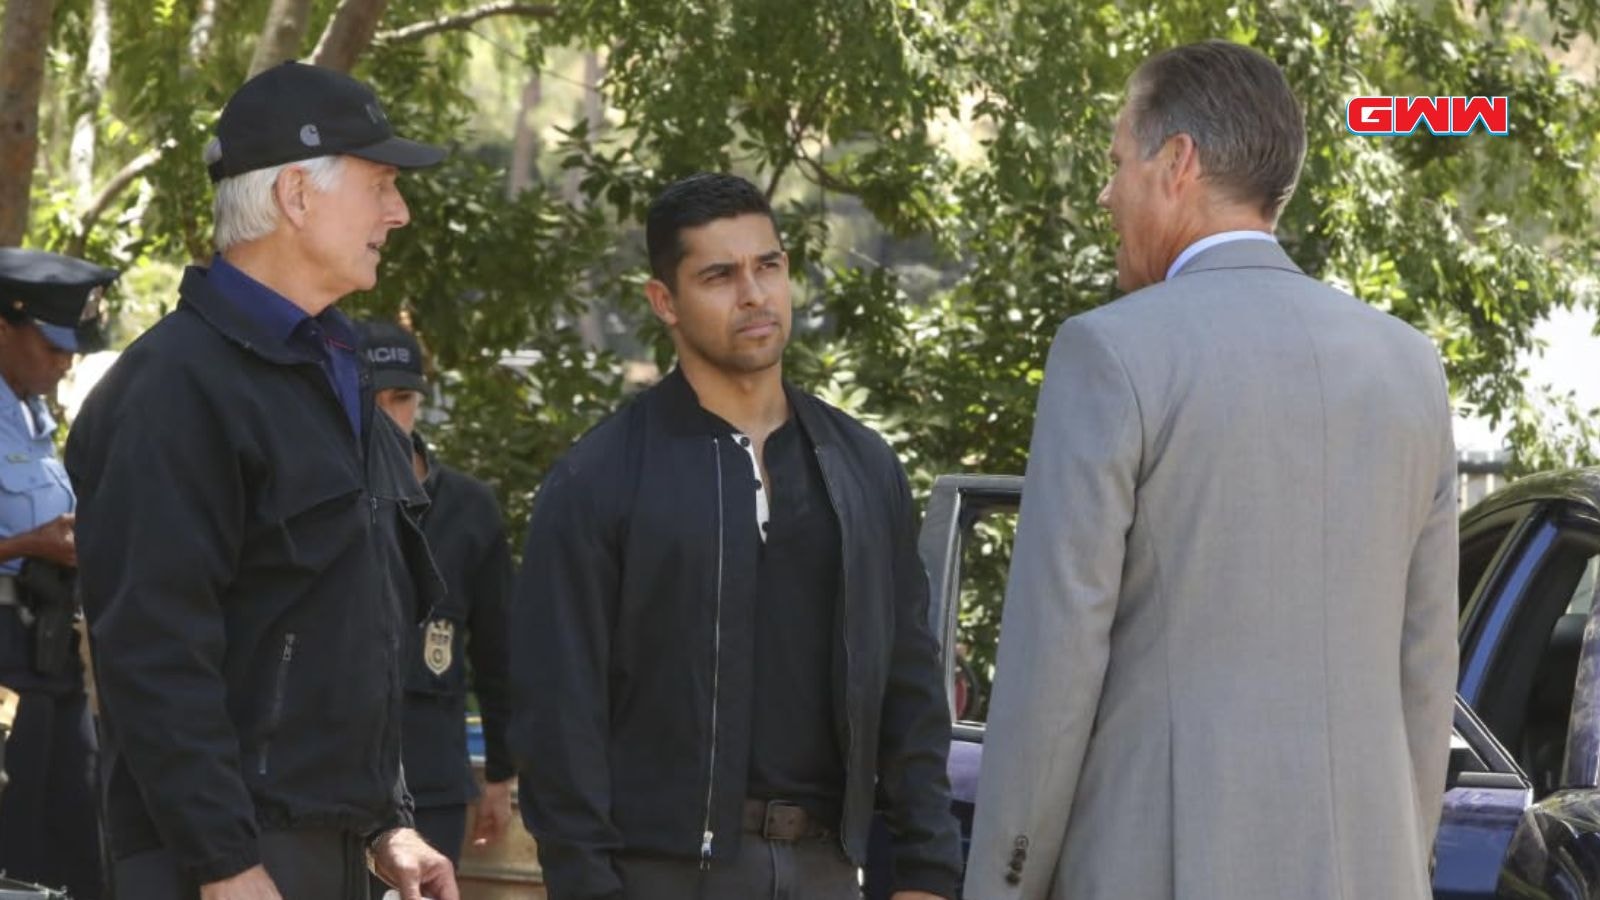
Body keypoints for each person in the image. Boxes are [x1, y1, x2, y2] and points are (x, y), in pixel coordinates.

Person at [962, 40, 1459, 900]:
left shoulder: (1109, 353)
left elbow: (1054, 673)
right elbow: (1424, 678)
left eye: (1118, 162)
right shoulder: (1410, 366)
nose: (1107, 193)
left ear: (1177, 162)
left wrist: (1004, 881)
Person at [65, 62, 460, 900]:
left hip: (320, 846)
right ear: (296, 195)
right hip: (224, 860)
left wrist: (384, 822)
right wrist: (225, 866)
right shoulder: (173, 391)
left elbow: (344, 617)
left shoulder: (336, 367)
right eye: (381, 183)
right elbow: (155, 652)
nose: (400, 211)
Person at [509, 172, 963, 900]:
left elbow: (907, 681)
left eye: (768, 266)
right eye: (719, 275)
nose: (753, 294)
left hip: (824, 867)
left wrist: (928, 874)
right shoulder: (599, 480)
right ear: (666, 302)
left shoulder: (859, 466)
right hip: (658, 872)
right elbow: (559, 716)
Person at [357, 319, 516, 887]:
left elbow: (498, 648)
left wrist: (500, 772)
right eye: (369, 398)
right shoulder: (323, 503)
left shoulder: (469, 509)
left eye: (401, 398)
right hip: (340, 781)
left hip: (434, 780)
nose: (387, 415)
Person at [0, 247, 117, 899]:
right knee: (12, 847)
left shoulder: (34, 417)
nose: (65, 361)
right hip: (3, 656)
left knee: (73, 845)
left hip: (50, 652)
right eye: (50, 344)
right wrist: (29, 543)